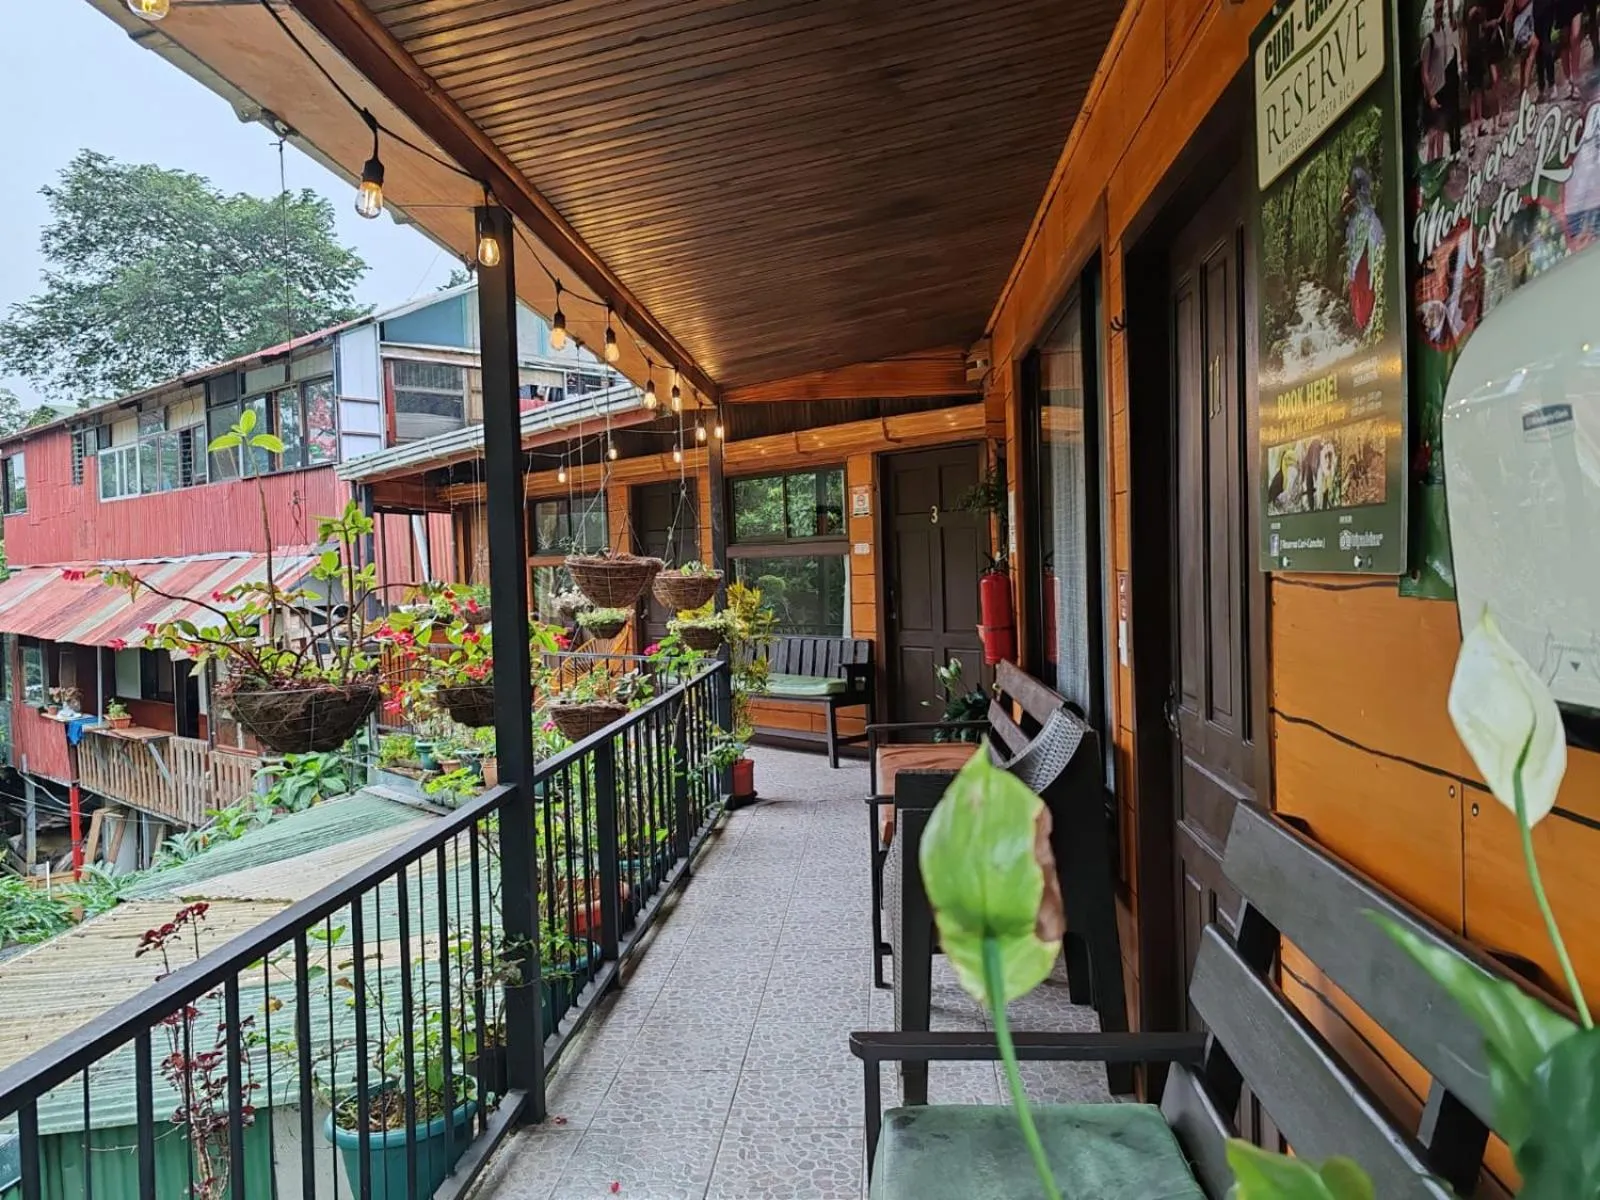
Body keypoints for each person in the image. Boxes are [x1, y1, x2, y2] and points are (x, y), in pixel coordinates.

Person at [1423, 0, 1465, 158]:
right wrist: (1430, 95)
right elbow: (1424, 71)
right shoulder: (1430, 39)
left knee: (1443, 128)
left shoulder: (1447, 31)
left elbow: (1456, 33)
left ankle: (1447, 157)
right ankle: (1431, 166)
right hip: (1436, 87)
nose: (1440, 14)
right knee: (1433, 134)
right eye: (1438, 12)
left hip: (1447, 80)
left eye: (1442, 11)